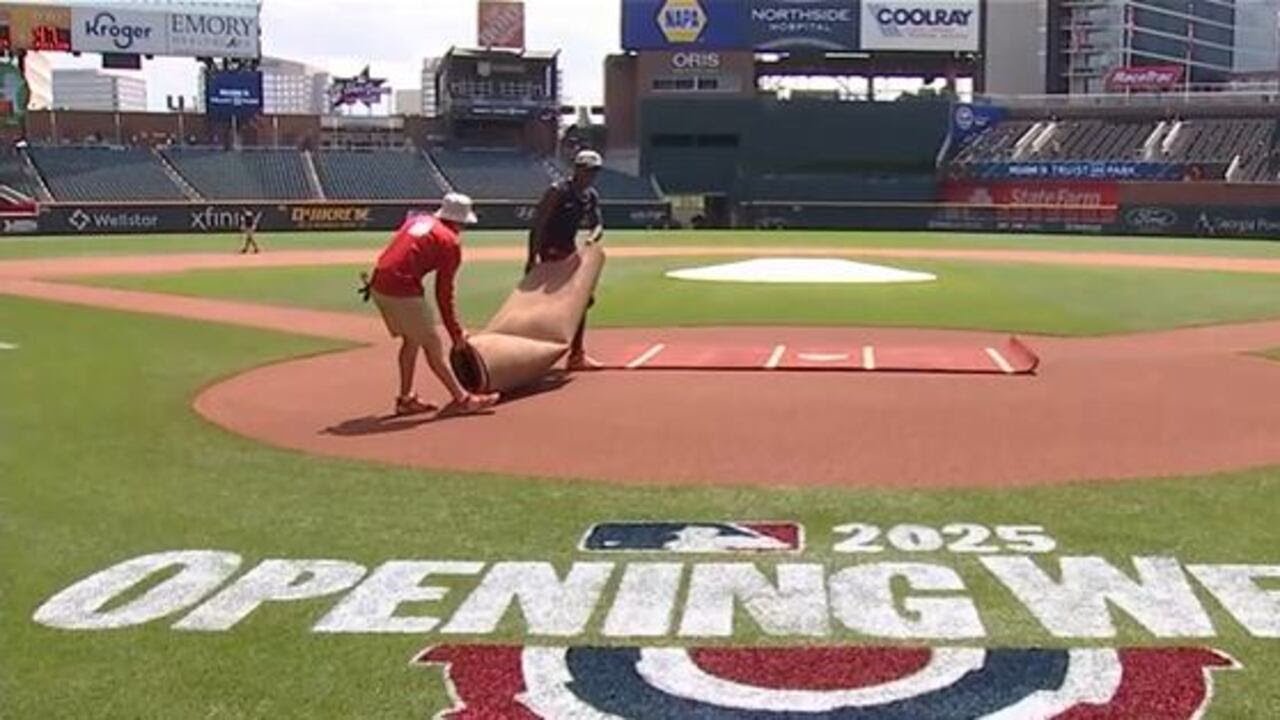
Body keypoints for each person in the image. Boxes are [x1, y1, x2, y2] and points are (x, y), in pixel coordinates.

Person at [366, 193, 499, 416]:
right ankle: (464, 400)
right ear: (459, 221)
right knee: (433, 346)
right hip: (402, 289)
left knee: (412, 340)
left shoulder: (418, 220)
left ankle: (405, 400)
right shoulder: (450, 242)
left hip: (378, 283)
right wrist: (456, 333)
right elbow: (444, 294)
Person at [526, 149, 605, 370]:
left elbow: (598, 224)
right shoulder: (558, 191)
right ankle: (548, 352)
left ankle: (576, 354)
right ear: (576, 169)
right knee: (572, 300)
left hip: (570, 250)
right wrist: (532, 258)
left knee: (582, 301)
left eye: (593, 172)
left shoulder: (590, 196)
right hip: (550, 250)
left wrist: (592, 237)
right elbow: (538, 224)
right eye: (586, 170)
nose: (589, 175)